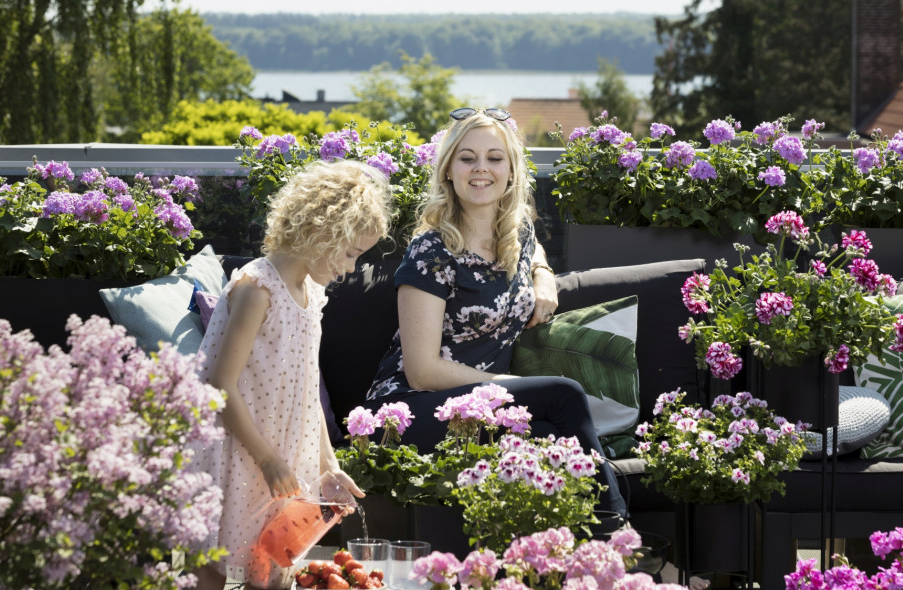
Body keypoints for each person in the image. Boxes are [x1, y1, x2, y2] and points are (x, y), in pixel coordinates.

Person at [366, 107, 628, 519]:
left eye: (494, 157)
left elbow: (534, 246)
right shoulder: (432, 251)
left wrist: (543, 273)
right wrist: (504, 384)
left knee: (546, 436)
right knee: (564, 395)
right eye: (467, 157)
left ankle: (573, 555)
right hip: (413, 409)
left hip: (483, 405)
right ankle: (615, 532)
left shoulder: (516, 233)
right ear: (448, 170)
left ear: (511, 171)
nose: (480, 168)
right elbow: (421, 370)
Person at [192, 160, 393, 590]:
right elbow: (220, 385)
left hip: (283, 460)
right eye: (350, 252)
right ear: (321, 231)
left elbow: (305, 390)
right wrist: (267, 460)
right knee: (213, 563)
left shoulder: (312, 293)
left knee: (274, 570)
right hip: (244, 453)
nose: (352, 267)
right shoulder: (257, 288)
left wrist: (328, 465)